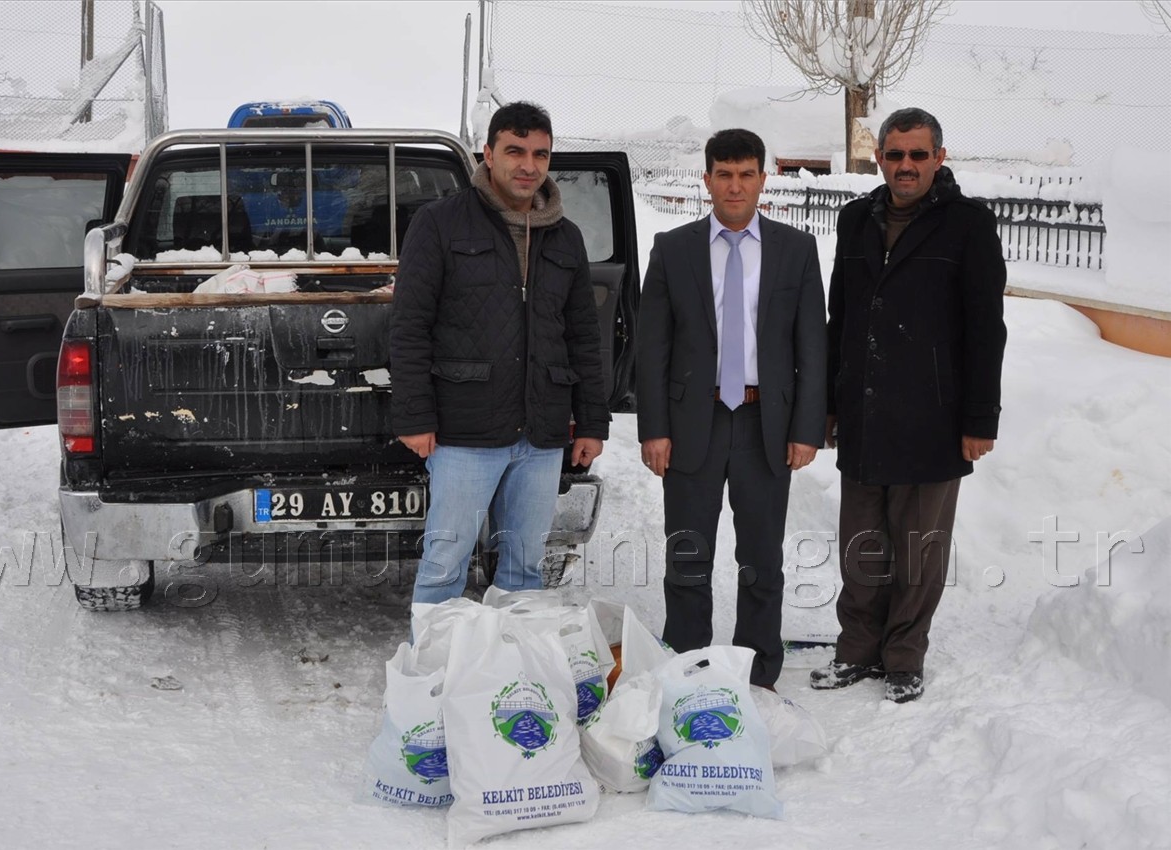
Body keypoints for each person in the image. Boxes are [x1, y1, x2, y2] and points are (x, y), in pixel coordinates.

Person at [812, 107, 1007, 703]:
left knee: (919, 547)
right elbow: (838, 314)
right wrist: (828, 400)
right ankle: (858, 649)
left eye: (918, 155)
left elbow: (985, 329)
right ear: (880, 159)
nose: (905, 165)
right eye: (895, 154)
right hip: (865, 412)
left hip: (934, 418)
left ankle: (903, 656)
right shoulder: (856, 218)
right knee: (862, 542)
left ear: (938, 159)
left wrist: (979, 419)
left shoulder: (968, 224)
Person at [390, 101, 609, 607]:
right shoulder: (440, 223)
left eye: (540, 154)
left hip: (541, 434)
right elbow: (410, 327)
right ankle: (434, 676)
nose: (528, 165)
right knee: (446, 566)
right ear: (487, 154)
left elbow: (583, 336)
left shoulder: (566, 237)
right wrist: (415, 415)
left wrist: (591, 423)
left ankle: (511, 677)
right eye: (514, 151)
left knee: (524, 569)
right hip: (465, 431)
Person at [636, 128, 826, 689]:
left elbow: (811, 345)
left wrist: (806, 427)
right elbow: (653, 348)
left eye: (746, 174)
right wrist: (655, 429)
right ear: (707, 180)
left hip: (764, 423)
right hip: (695, 423)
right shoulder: (674, 249)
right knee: (688, 556)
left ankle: (758, 672)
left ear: (763, 180)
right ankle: (689, 666)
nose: (735, 186)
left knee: (762, 560)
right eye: (724, 174)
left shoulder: (796, 251)